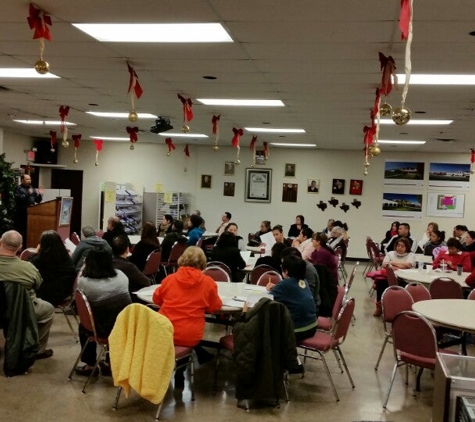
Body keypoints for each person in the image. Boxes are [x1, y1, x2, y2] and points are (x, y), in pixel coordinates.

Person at [152, 247, 222, 387]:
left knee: (174, 338)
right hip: (190, 335)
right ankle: (180, 373)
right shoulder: (208, 283)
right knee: (186, 340)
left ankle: (164, 373)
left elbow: (156, 299)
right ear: (203, 262)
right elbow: (215, 307)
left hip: (164, 330)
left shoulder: (169, 279)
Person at [75, 248, 132, 376]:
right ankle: (110, 363)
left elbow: (78, 297)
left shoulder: (85, 283)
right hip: (125, 326)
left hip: (100, 330)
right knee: (114, 316)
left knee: (83, 325)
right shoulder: (122, 276)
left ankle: (90, 366)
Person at [0, 230, 54, 359]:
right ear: (20, 247)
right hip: (22, 311)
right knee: (48, 309)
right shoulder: (28, 268)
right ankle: (36, 350)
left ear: (0, 242)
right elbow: (38, 285)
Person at [266, 255, 317, 342]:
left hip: (297, 330)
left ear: (286, 270)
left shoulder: (285, 284)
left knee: (266, 327)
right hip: (312, 326)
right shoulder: (303, 281)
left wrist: (270, 290)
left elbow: (267, 299)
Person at [28, 230, 77, 307]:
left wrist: (36, 251)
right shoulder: (66, 257)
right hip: (64, 293)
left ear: (42, 244)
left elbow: (28, 265)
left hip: (44, 294)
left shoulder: (40, 259)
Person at [374, 238, 416, 317]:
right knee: (381, 283)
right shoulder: (390, 253)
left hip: (405, 279)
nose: (400, 248)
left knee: (410, 286)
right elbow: (384, 264)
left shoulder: (411, 255)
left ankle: (405, 308)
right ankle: (379, 307)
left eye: (402, 246)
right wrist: (402, 265)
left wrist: (392, 263)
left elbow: (408, 265)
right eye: (398, 246)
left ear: (407, 247)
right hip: (390, 277)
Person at [14, 174, 44, 245]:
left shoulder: (32, 189)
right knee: (20, 231)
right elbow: (19, 199)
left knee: (29, 230)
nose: (29, 181)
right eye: (27, 179)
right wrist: (28, 193)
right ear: (22, 180)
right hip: (21, 214)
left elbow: (37, 200)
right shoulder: (18, 188)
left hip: (31, 214)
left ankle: (27, 245)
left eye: (30, 179)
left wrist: (40, 194)